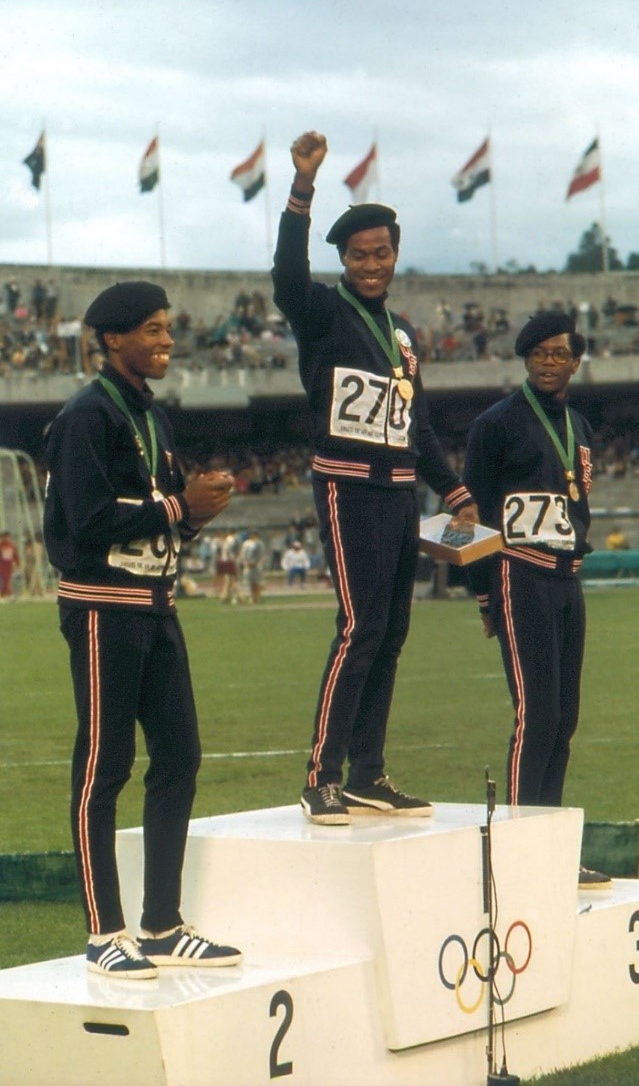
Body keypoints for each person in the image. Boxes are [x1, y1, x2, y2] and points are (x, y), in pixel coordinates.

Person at [272, 130, 478, 825]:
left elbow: (414, 421)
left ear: (395, 255)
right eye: (358, 255)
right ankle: (321, 776)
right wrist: (302, 191)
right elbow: (284, 279)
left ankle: (368, 771)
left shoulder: (403, 333)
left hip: (399, 493)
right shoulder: (324, 313)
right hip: (346, 484)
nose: (370, 264)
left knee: (390, 632)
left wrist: (452, 487)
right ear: (343, 260)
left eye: (381, 253)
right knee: (360, 625)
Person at [43, 280, 242, 979]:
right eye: (153, 331)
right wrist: (172, 507)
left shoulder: (152, 417)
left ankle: (160, 924)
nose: (165, 341)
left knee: (181, 756)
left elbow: (162, 509)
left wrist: (197, 509)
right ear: (114, 339)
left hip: (156, 606)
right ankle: (105, 932)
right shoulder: (84, 418)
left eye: (167, 329)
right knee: (104, 766)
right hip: (101, 607)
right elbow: (90, 519)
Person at [463, 310, 610, 890]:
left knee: (564, 719)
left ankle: (551, 853)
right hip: (518, 575)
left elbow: (577, 505)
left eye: (561, 354)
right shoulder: (495, 424)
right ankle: (521, 855)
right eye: (540, 353)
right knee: (537, 715)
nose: (551, 363)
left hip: (567, 579)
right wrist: (482, 596)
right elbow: (471, 512)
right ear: (526, 358)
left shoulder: (581, 425)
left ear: (577, 361)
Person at [0, 529, 20, 597]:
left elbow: (15, 555)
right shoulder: (1, 545)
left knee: (7, 578)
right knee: (3, 578)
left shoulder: (12, 545)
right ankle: (5, 592)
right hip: (2, 563)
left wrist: (17, 563)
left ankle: (6, 592)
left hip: (9, 564)